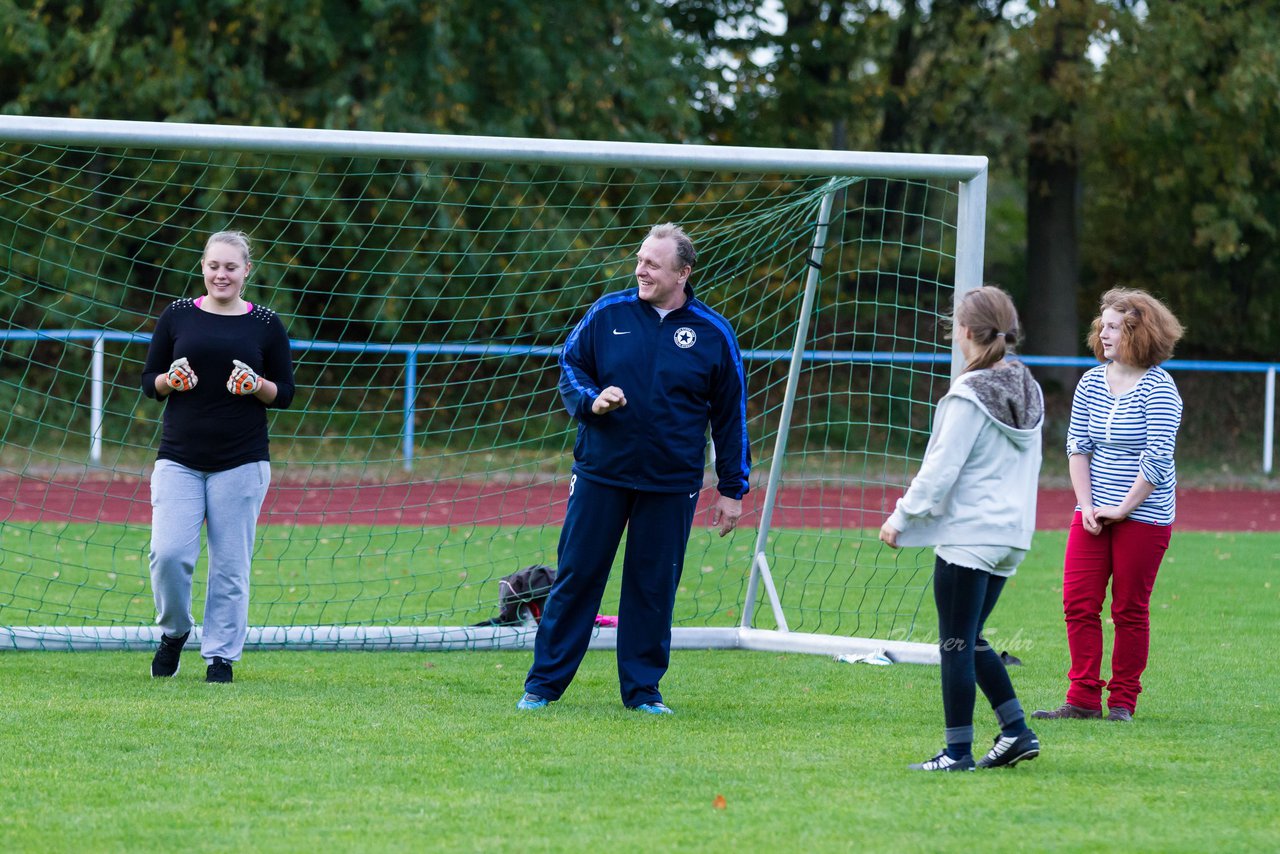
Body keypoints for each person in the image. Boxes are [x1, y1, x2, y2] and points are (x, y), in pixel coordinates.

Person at [519, 223, 750, 714]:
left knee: (652, 589)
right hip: (602, 473)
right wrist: (591, 400)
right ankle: (541, 687)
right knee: (578, 579)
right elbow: (570, 366)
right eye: (641, 260)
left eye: (653, 264)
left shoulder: (713, 333)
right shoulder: (608, 313)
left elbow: (731, 415)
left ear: (683, 273)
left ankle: (643, 692)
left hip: (672, 483)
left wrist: (732, 488)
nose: (641, 270)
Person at [880, 286, 1044, 772]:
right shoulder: (1028, 386)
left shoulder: (967, 395)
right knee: (969, 639)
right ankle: (1016, 732)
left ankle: (956, 753)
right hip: (1012, 536)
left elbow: (938, 471)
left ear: (966, 332)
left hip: (971, 535)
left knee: (953, 644)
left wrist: (900, 517)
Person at [140, 230, 295, 684]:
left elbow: (284, 392)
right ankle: (174, 632)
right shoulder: (177, 315)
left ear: (247, 271)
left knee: (230, 567)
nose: (221, 274)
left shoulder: (265, 324)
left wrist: (257, 386)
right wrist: (171, 380)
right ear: (202, 267)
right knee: (167, 555)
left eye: (231, 266)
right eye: (214, 266)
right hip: (179, 459)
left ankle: (220, 657)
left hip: (242, 461)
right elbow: (150, 381)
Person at [1033, 288, 1183, 723]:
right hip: (1093, 512)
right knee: (1078, 602)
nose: (1103, 332)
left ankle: (1122, 702)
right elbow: (1077, 447)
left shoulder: (1160, 389)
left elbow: (1158, 457)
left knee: (1129, 609)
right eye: (1102, 325)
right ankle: (1081, 698)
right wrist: (1088, 506)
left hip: (1145, 514)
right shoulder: (1091, 381)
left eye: (1113, 326)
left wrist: (1122, 508)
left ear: (1137, 332)